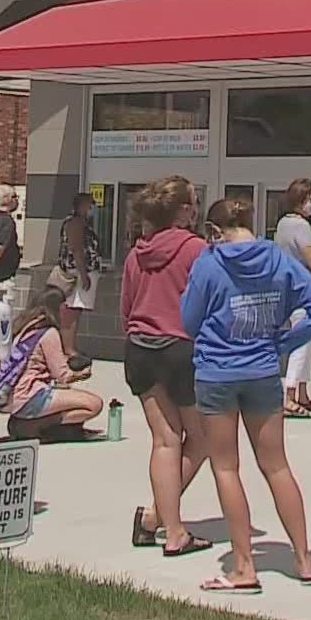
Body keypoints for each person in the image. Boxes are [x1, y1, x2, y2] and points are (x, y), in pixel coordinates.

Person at [182, 196, 311, 594]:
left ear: (215, 231)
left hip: (217, 374)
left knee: (226, 468)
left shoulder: (209, 263)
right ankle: (304, 561)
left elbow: (189, 320)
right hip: (264, 371)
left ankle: (244, 567)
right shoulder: (278, 260)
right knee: (277, 466)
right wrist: (283, 343)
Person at [123, 179, 212, 556]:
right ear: (182, 211)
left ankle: (162, 524)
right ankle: (162, 521)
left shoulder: (135, 254)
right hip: (181, 349)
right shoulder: (197, 250)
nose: (197, 208)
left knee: (165, 439)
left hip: (140, 348)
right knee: (203, 437)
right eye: (193, 202)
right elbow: (210, 302)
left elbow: (126, 308)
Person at [0, 286, 104, 440]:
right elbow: (62, 376)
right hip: (30, 395)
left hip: (10, 396)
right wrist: (82, 374)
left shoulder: (22, 326)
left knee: (68, 397)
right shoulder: (49, 333)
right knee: (94, 404)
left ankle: (26, 422)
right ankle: (38, 426)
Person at [273, 179, 311, 418]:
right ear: (300, 200)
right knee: (303, 343)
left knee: (309, 341)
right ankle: (289, 395)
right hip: (305, 292)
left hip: (289, 291)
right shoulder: (301, 227)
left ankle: (303, 394)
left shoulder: (282, 224)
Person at [56, 192, 101, 355]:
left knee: (76, 310)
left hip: (82, 271)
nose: (92, 208)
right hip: (76, 273)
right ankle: (68, 348)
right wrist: (83, 275)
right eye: (90, 204)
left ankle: (70, 345)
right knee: (71, 310)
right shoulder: (75, 223)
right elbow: (76, 249)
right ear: (81, 206)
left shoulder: (83, 223)